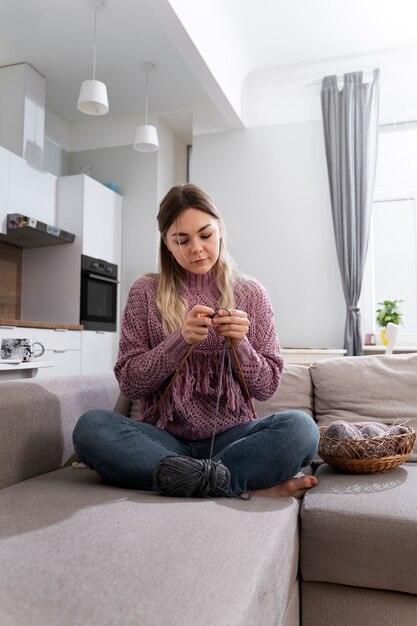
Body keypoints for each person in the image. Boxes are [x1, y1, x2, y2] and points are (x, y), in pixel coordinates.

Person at [73, 184, 319, 498]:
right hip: (162, 440)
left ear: (220, 230)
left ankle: (182, 479)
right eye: (182, 240)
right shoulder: (145, 292)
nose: (197, 249)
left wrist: (240, 345)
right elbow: (130, 384)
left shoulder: (252, 293)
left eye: (205, 235)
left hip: (233, 437)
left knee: (301, 429)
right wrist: (179, 340)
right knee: (91, 427)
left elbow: (267, 386)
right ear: (167, 243)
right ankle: (237, 484)